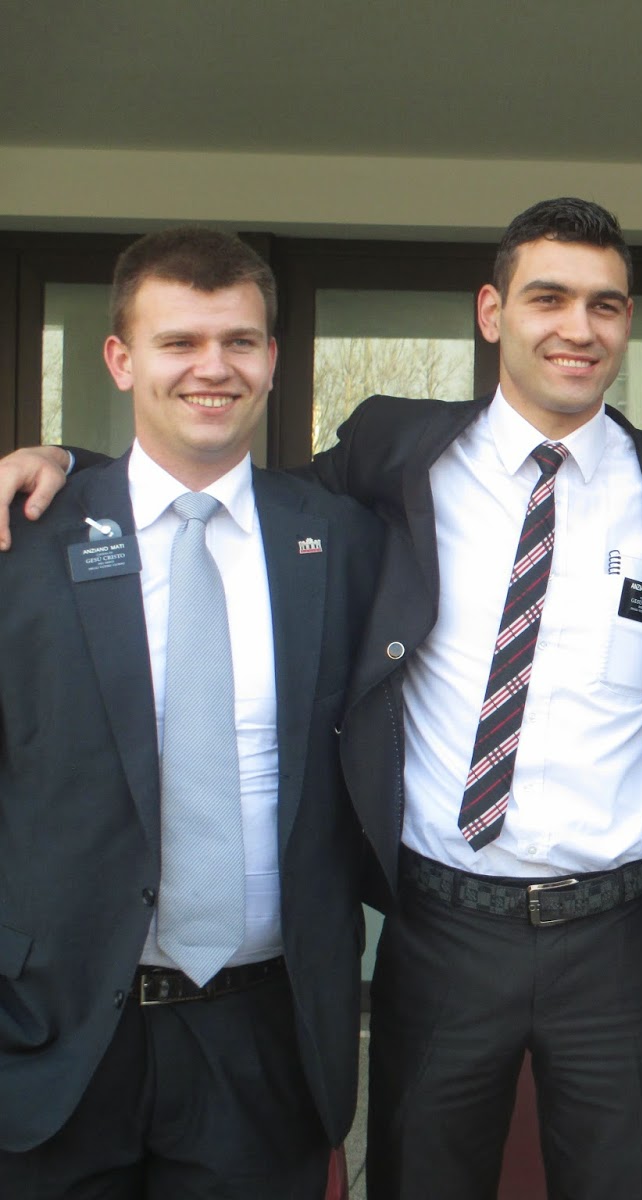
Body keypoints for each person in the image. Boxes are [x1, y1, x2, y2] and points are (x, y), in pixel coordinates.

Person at [0, 198, 642, 1200]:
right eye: (547, 298)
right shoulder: (392, 460)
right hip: (442, 928)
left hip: (623, 936)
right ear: (492, 312)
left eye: (604, 304)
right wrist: (69, 468)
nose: (578, 327)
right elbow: (203, 484)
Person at [0, 228, 381, 1197]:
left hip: (261, 1036)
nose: (213, 368)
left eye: (239, 341)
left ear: (272, 360)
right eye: (178, 342)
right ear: (120, 359)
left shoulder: (339, 542)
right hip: (50, 1035)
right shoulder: (23, 541)